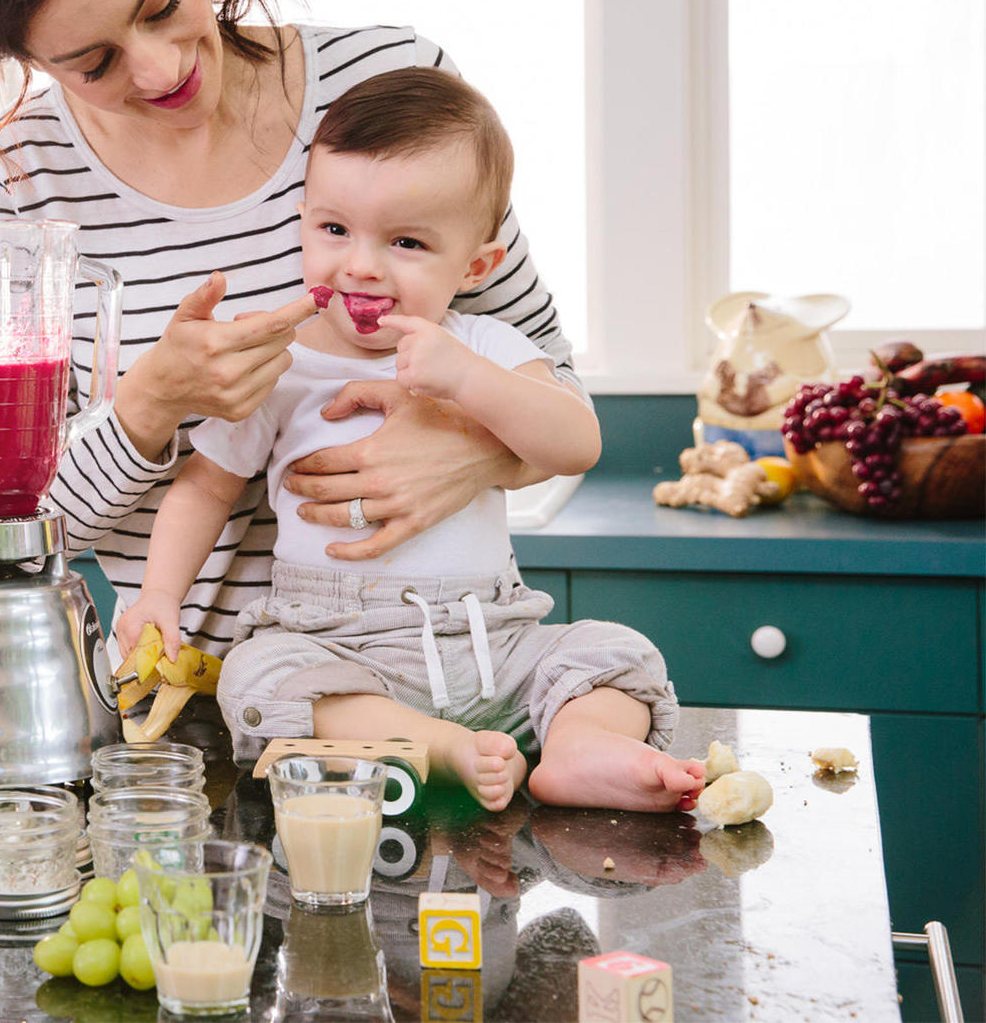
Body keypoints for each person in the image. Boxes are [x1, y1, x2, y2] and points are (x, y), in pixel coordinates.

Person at [0, 0, 581, 675]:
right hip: (181, 685)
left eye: (160, 4)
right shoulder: (16, 173)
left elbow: (561, 398)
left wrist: (467, 451)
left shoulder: (388, 79)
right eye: (94, 62)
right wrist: (150, 402)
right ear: (28, 59)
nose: (158, 69)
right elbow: (10, 526)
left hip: (446, 660)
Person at [115, 67, 702, 812]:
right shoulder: (281, 361)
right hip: (340, 647)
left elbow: (576, 442)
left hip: (497, 640)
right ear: (303, 220)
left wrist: (467, 379)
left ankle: (578, 745)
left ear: (478, 264)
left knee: (614, 653)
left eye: (406, 241)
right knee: (257, 676)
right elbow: (205, 484)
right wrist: (160, 596)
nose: (361, 263)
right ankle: (442, 748)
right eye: (334, 229)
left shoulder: (487, 343)